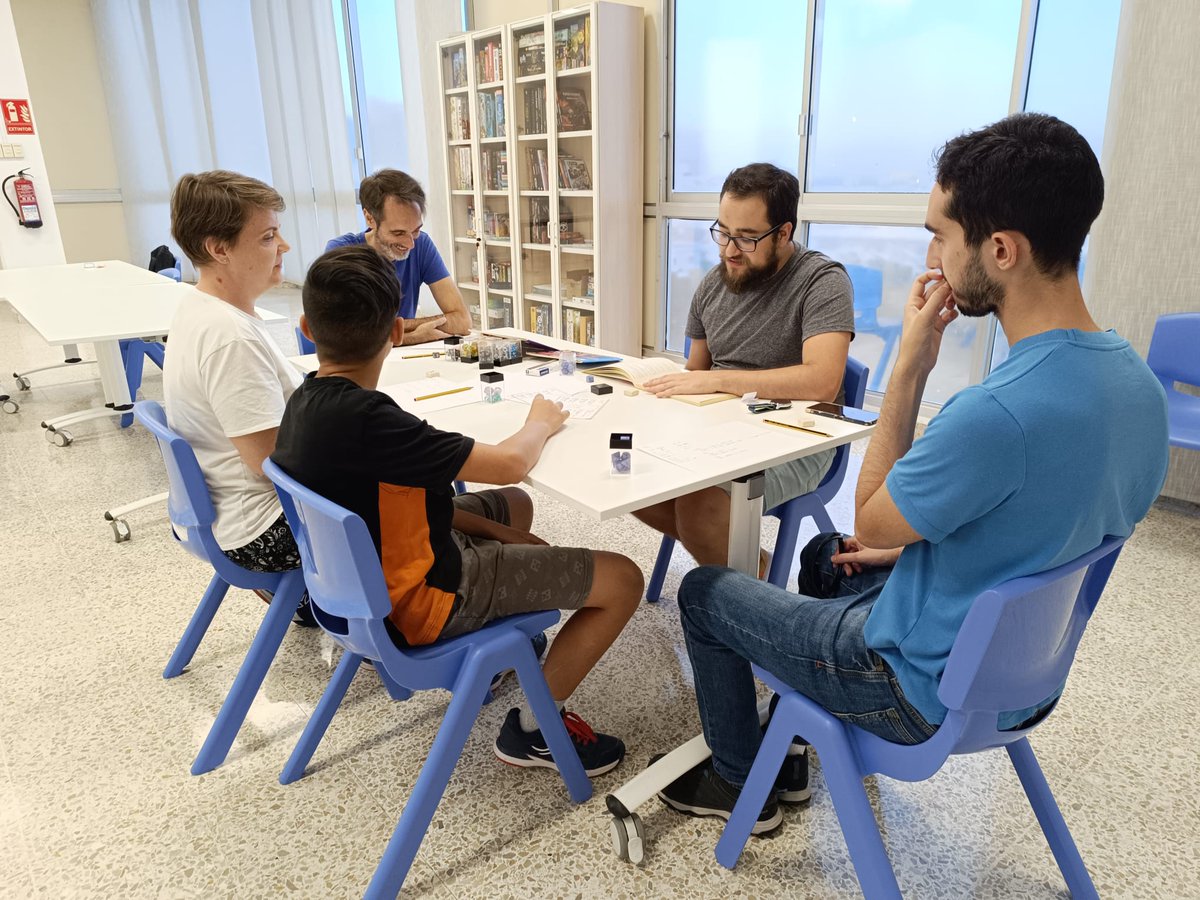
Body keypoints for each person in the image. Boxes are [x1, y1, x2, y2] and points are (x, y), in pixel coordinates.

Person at [656, 113, 1170, 834]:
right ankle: (796, 738)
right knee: (825, 560)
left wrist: (910, 368)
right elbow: (1051, 526)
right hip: (1024, 677)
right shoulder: (1139, 391)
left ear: (1000, 249)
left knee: (707, 592)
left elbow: (867, 513)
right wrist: (903, 550)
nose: (931, 254)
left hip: (914, 689)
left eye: (939, 235)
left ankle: (740, 779)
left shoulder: (993, 414)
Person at [271, 245, 645, 776]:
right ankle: (535, 730)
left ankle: (503, 647)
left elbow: (418, 504)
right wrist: (540, 420)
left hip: (360, 582)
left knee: (513, 508)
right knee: (623, 578)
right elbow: (512, 461)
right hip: (424, 601)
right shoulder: (376, 422)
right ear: (397, 332)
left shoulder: (305, 402)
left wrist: (501, 532)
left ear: (308, 328)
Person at [635, 163, 855, 569]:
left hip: (801, 436)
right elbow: (696, 373)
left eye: (748, 238)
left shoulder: (823, 280)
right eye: (723, 232)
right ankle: (752, 566)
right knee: (630, 477)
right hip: (723, 423)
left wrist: (719, 380)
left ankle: (743, 589)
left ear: (784, 233)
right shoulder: (714, 283)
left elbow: (823, 381)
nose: (729, 250)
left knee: (701, 507)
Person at [163, 170, 314, 625]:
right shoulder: (229, 338)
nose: (283, 247)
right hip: (263, 528)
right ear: (219, 248)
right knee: (412, 488)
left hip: (230, 515)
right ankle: (381, 623)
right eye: (268, 236)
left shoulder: (201, 308)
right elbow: (271, 463)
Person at [326, 169, 471, 344]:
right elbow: (346, 335)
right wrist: (413, 336)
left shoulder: (422, 244)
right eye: (398, 233)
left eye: (416, 230)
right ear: (369, 218)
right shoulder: (342, 251)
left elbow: (462, 321)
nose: (410, 244)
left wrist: (390, 332)